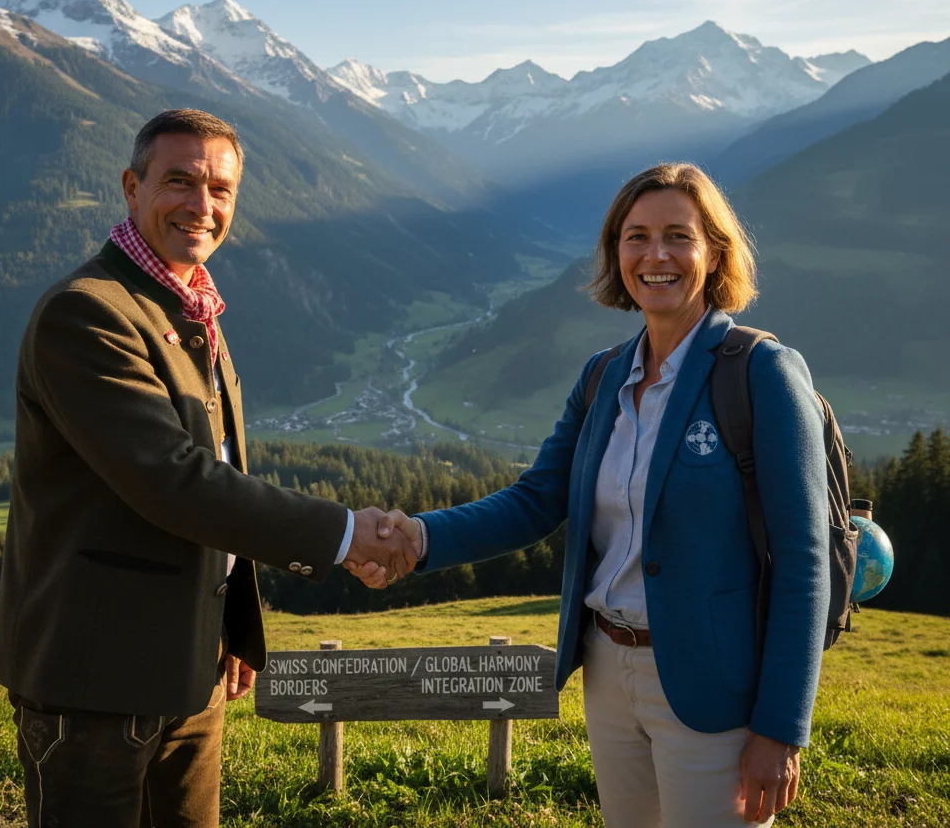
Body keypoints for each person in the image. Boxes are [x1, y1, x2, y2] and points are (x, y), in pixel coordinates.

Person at [348, 162, 830, 827]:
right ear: (615, 253)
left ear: (715, 253)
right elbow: (537, 499)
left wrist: (781, 727)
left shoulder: (761, 373)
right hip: (607, 670)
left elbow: (804, 560)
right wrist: (420, 537)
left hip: (714, 685)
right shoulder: (604, 376)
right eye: (636, 237)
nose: (655, 255)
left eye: (678, 236)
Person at [0, 108, 418, 828]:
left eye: (220, 189)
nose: (202, 205)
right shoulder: (88, 313)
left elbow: (220, 469)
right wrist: (345, 534)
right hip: (94, 680)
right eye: (179, 181)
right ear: (132, 187)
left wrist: (234, 627)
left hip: (191, 671)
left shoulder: (188, 307)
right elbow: (174, 482)